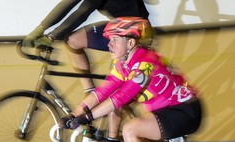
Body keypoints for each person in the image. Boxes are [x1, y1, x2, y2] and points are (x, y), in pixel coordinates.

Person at [60, 17, 202, 142]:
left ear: (131, 42)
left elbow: (120, 98)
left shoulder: (145, 64)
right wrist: (74, 114)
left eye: (114, 40)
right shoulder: (123, 63)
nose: (109, 45)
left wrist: (88, 117)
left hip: (184, 112)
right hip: (165, 111)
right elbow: (102, 92)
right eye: (109, 40)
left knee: (130, 129)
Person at [22, 0, 150, 93]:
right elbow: (68, 4)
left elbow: (83, 12)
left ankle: (109, 111)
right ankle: (90, 91)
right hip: (121, 26)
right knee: (73, 40)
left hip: (137, 30)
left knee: (113, 91)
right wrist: (40, 29)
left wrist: (51, 37)